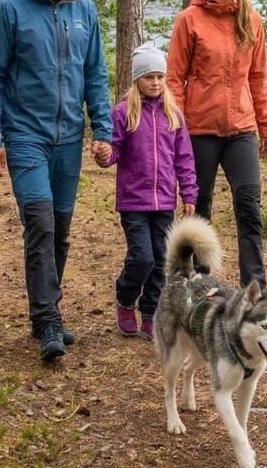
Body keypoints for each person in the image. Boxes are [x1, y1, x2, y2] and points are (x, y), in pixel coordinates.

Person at [0, 0, 112, 363]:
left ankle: (42, 313)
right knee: (40, 222)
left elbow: (95, 75)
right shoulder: (9, 9)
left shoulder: (84, 9)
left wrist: (103, 130)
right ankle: (49, 319)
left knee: (61, 230)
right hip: (25, 136)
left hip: (69, 138)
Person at [166, 0, 267, 288]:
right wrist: (177, 128)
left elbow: (257, 77)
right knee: (199, 211)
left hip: (241, 130)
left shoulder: (251, 19)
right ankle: (198, 285)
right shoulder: (189, 19)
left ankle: (253, 290)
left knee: (249, 209)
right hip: (198, 130)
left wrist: (264, 124)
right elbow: (174, 79)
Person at [95, 44, 197, 340]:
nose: (155, 82)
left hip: (164, 201)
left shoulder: (173, 114)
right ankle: (126, 299)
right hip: (133, 201)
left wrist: (189, 193)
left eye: (159, 77)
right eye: (148, 77)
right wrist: (104, 154)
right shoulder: (124, 112)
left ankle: (151, 312)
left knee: (161, 258)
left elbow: (184, 158)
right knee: (142, 257)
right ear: (136, 79)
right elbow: (113, 151)